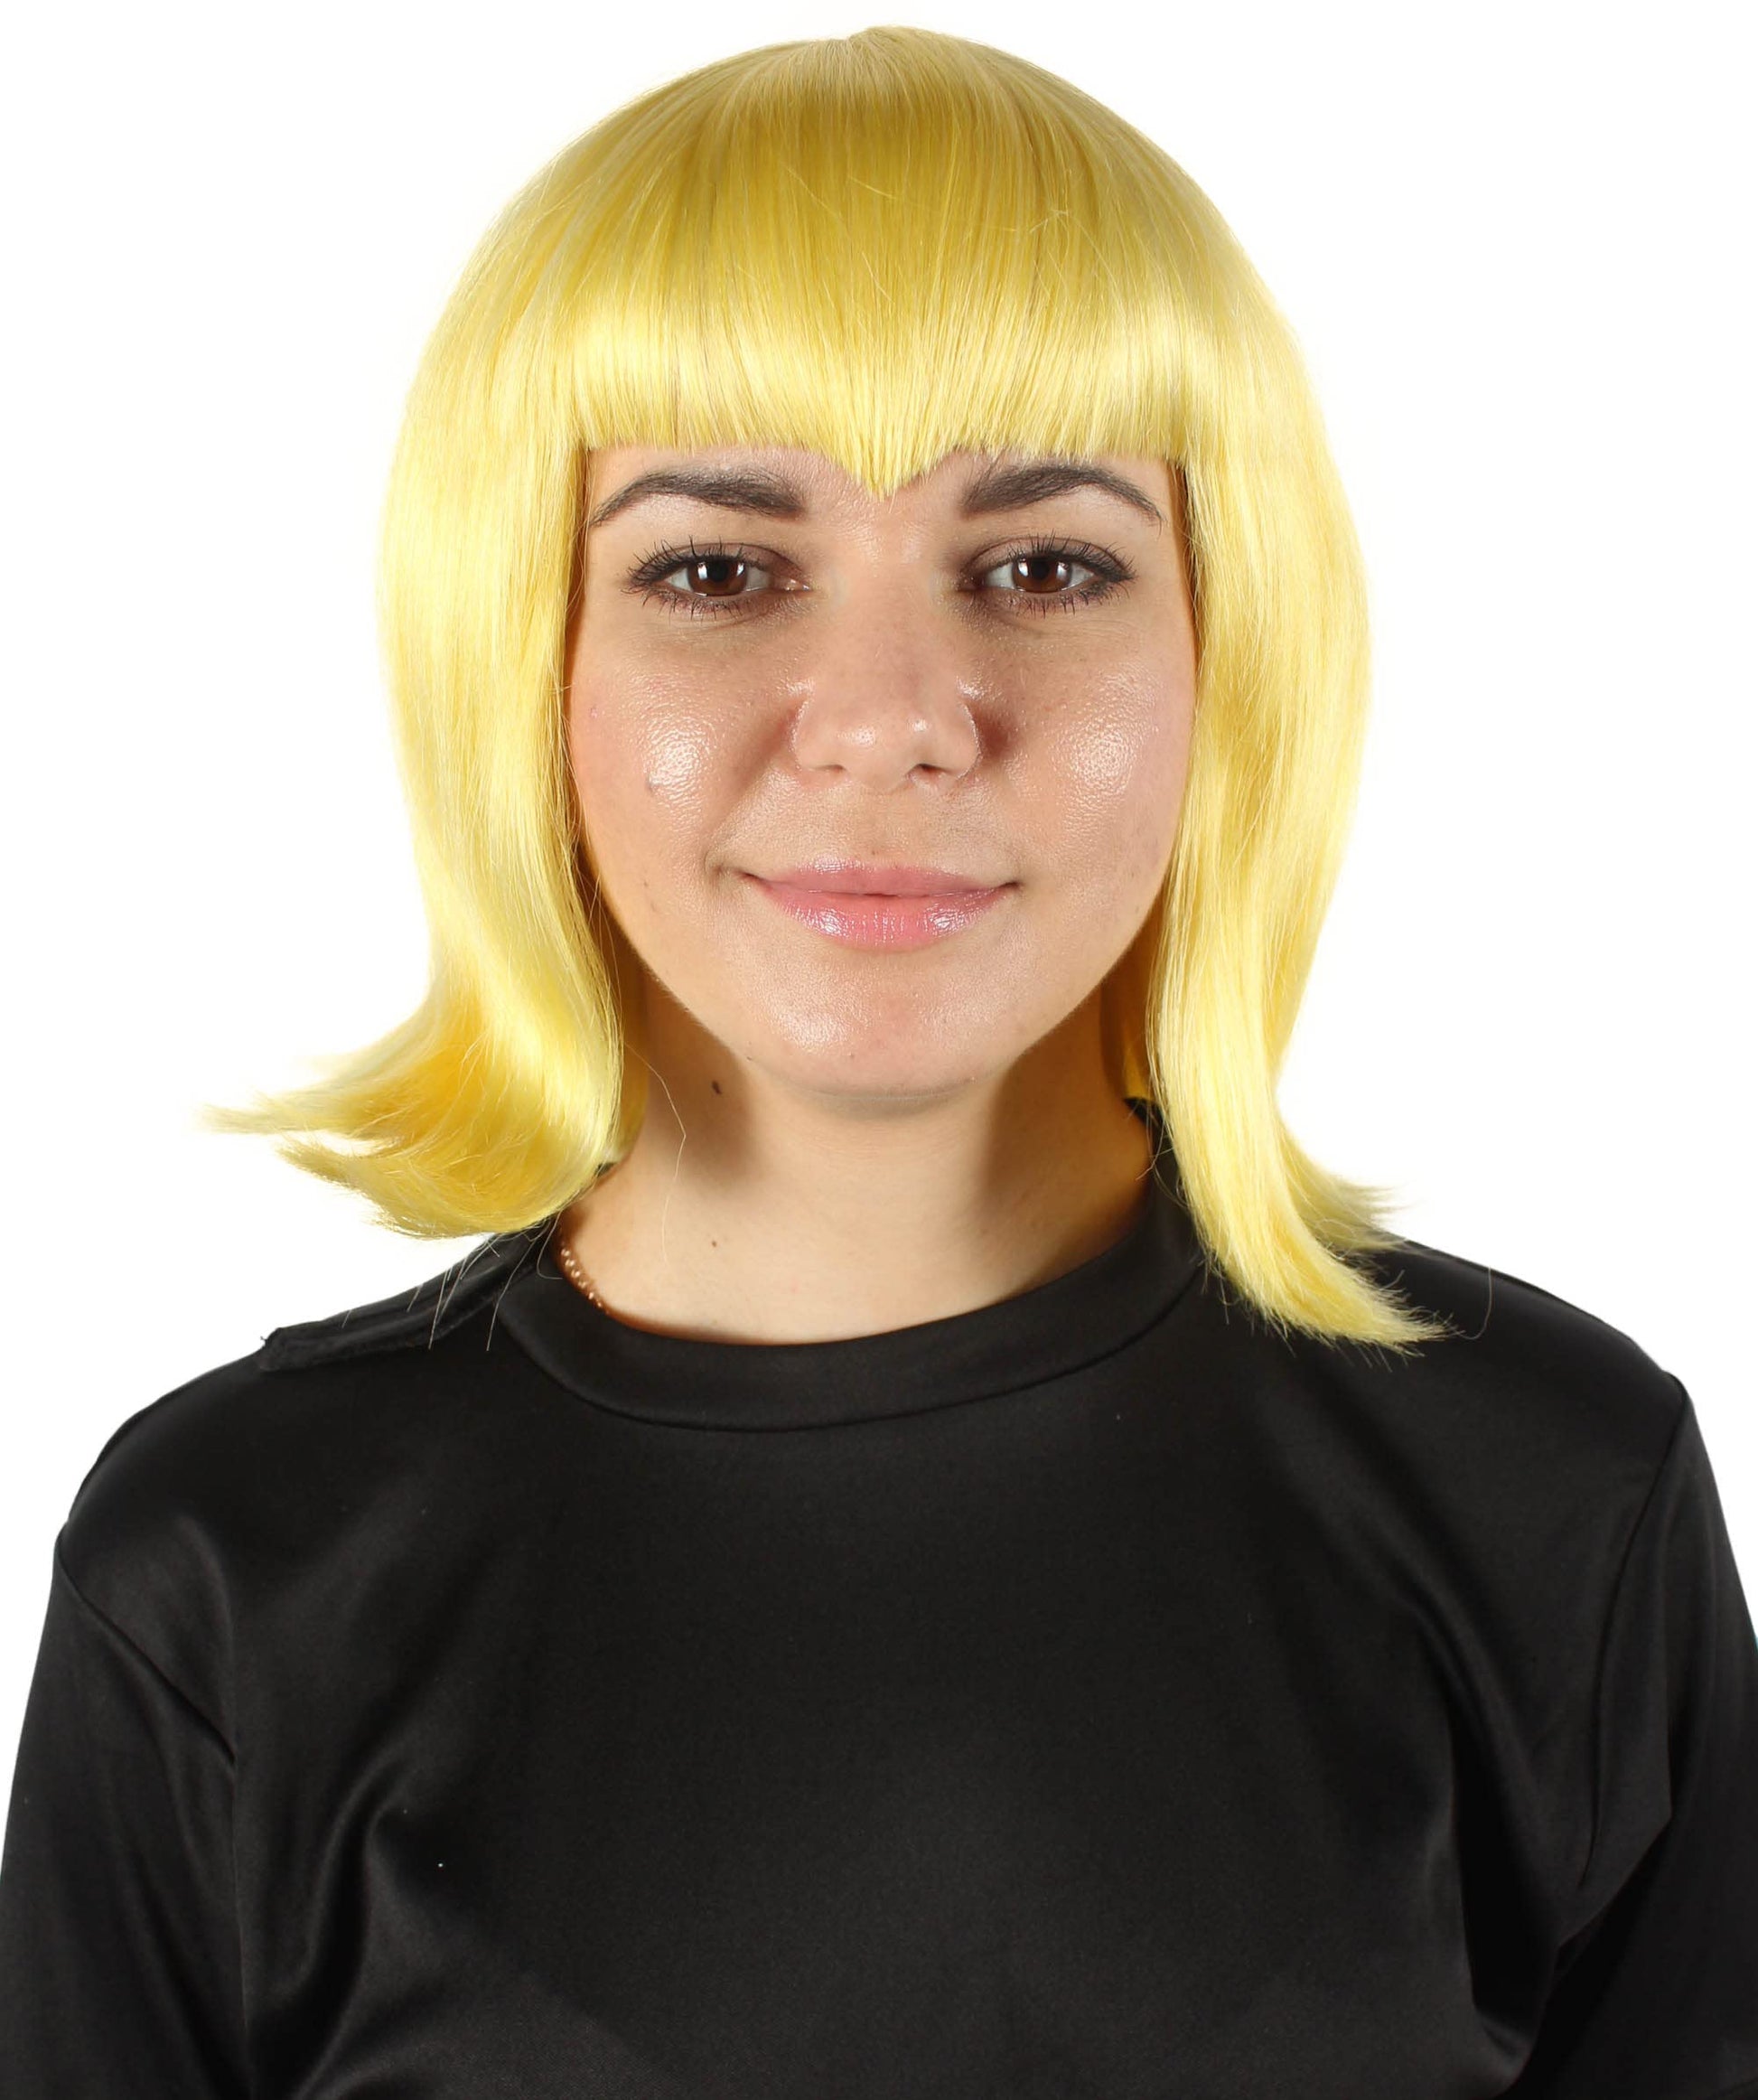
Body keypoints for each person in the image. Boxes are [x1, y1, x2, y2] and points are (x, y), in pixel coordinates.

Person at [2, 24, 1754, 2098]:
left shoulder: (1553, 1498)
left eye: (1042, 565)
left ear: (1229, 658)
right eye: (718, 570)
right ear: (520, 664)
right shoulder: (227, 1577)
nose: (894, 717)